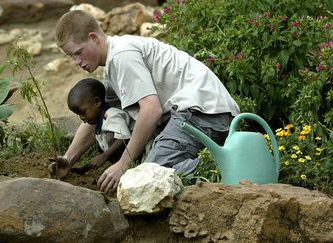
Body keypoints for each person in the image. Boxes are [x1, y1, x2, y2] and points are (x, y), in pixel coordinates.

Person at [54, 10, 240, 193]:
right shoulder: (113, 64)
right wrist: (68, 158)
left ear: (94, 37)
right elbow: (98, 115)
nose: (77, 61)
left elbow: (151, 110)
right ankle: (220, 159)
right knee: (143, 172)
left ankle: (233, 162)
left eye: (78, 52)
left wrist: (122, 164)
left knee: (151, 175)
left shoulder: (122, 56)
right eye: (72, 56)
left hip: (203, 112)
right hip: (194, 113)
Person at [54, 78, 134, 176]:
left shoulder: (111, 116)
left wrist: (104, 156)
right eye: (78, 114)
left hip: (133, 157)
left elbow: (123, 138)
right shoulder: (99, 121)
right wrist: (82, 170)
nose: (82, 118)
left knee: (108, 142)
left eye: (83, 112)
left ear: (97, 102)